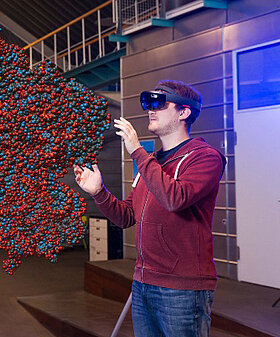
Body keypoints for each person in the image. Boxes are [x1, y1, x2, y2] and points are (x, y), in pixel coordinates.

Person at [74, 80, 226, 336]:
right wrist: (98, 192)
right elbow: (127, 216)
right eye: (148, 104)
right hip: (144, 283)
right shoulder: (151, 163)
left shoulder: (204, 157)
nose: (150, 110)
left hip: (182, 287)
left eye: (159, 103)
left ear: (183, 112)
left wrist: (136, 152)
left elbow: (175, 198)